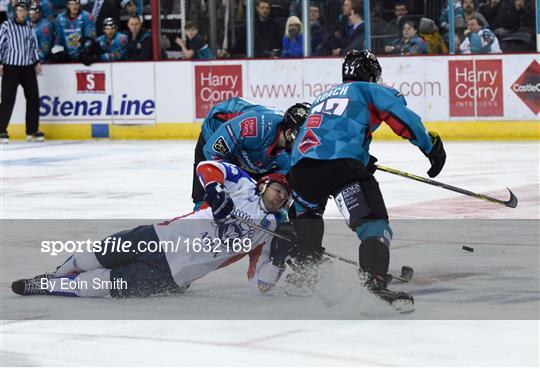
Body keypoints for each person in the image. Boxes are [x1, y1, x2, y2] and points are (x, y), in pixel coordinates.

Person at [286, 50, 446, 308]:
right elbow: (402, 118)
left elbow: (325, 134)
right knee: (373, 226)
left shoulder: (321, 97)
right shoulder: (368, 89)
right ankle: (374, 284)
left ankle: (304, 274)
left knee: (308, 216)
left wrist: (360, 157)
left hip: (301, 171)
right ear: (371, 74)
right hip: (341, 169)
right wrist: (431, 147)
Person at [12, 161, 298, 298]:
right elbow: (208, 166)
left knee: (97, 285)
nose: (281, 197)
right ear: (264, 184)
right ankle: (57, 274)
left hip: (173, 275)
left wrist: (279, 260)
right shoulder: (243, 183)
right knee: (95, 255)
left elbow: (260, 286)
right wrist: (215, 190)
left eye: (286, 197)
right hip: (158, 236)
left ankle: (47, 286)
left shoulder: (270, 233)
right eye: (278, 190)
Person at [191, 97, 310, 208]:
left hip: (248, 152)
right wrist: (221, 191)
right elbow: (213, 152)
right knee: (210, 196)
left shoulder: (290, 154)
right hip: (215, 135)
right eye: (304, 138)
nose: (308, 144)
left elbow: (282, 188)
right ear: (289, 134)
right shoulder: (254, 126)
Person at [0, 1, 44, 144]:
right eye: (20, 10)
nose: (22, 13)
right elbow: (0, 44)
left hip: (27, 68)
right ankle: (1, 131)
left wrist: (37, 62)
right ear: (15, 11)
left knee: (33, 99)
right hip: (11, 67)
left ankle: (32, 131)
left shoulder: (29, 26)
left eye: (25, 10)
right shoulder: (6, 26)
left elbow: (34, 45)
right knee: (7, 100)